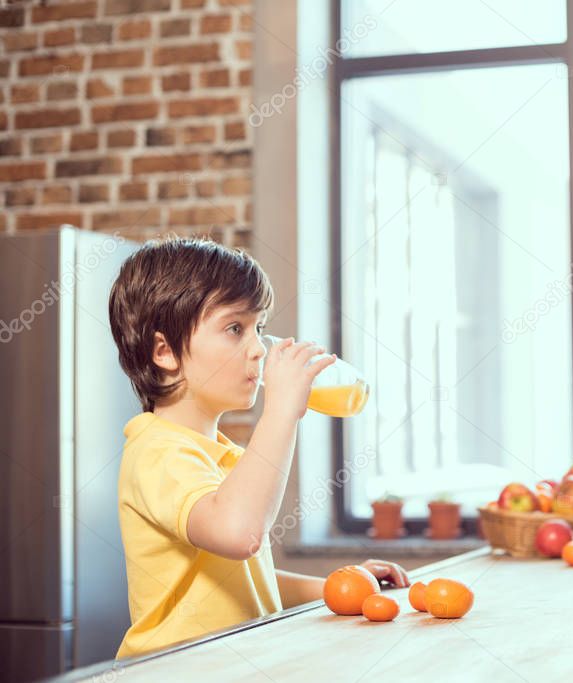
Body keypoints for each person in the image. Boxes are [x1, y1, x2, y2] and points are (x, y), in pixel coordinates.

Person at [108, 238, 409, 658]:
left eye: (259, 329)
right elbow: (240, 535)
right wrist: (282, 411)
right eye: (235, 329)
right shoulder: (157, 451)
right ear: (165, 352)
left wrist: (338, 586)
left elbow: (243, 579)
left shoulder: (220, 453)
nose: (258, 349)